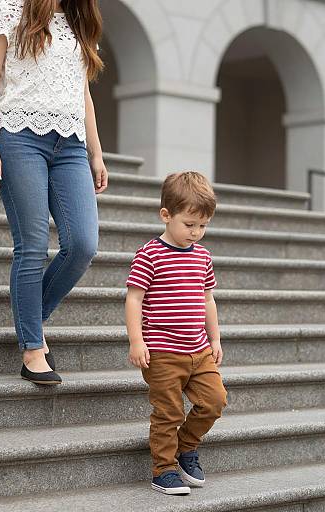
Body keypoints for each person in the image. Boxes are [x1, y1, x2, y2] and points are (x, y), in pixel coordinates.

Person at [0, 0, 108, 385]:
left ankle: (28, 317)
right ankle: (33, 348)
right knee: (32, 244)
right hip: (18, 137)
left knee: (82, 244)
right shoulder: (8, 9)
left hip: (70, 145)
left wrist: (96, 153)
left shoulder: (78, 20)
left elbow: (82, 93)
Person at [125, 171, 227, 495]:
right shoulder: (149, 254)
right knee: (168, 412)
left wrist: (215, 338)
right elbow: (134, 299)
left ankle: (185, 447)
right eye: (189, 224)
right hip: (162, 353)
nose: (196, 233)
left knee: (215, 400)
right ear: (165, 216)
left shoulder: (203, 257)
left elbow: (207, 299)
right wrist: (136, 340)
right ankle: (163, 469)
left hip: (199, 351)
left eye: (203, 226)